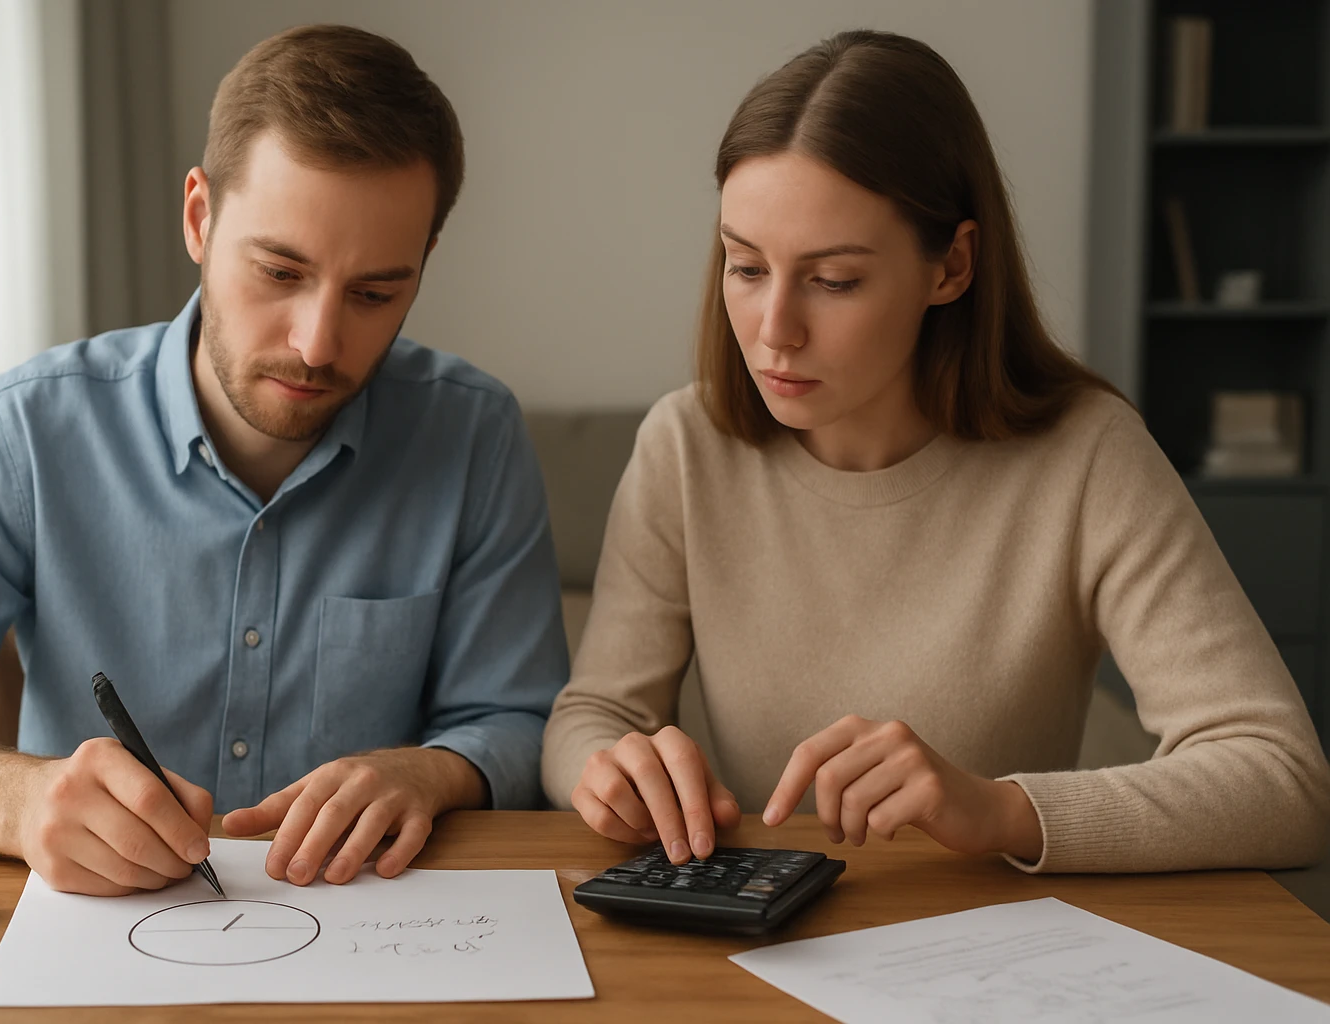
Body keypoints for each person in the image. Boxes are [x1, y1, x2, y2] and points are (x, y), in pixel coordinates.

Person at [0, 25, 569, 895]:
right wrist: (15, 800)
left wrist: (433, 770)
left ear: (423, 266)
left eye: (375, 293)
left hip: (373, 938)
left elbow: (517, 717)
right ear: (199, 218)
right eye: (280, 271)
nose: (318, 344)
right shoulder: (29, 431)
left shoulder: (473, 435)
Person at [542, 29, 1330, 873]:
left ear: (951, 267)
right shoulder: (685, 445)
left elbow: (1285, 781)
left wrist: (1000, 809)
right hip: (753, 941)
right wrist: (604, 767)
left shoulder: (1088, 455)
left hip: (990, 956)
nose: (774, 332)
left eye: (833, 280)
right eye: (745, 266)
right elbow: (592, 712)